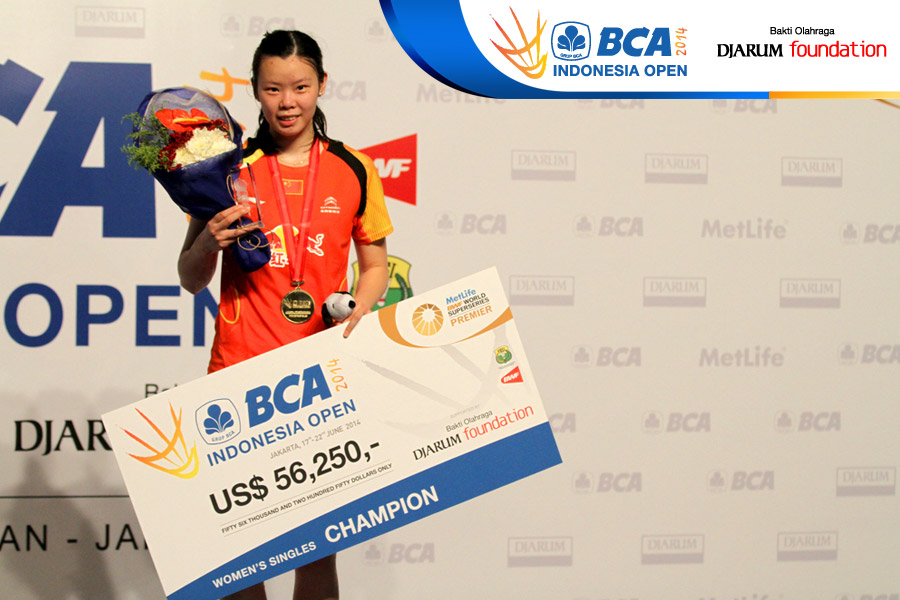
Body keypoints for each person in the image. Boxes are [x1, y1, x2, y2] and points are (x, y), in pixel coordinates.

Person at [178, 30, 393, 600]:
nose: (287, 102)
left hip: (321, 381)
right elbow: (191, 276)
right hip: (238, 378)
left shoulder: (354, 167)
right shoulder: (223, 168)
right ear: (255, 90)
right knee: (240, 560)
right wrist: (208, 244)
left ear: (322, 85)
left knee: (317, 554)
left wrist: (359, 309)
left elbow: (375, 266)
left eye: (300, 87)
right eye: (273, 88)